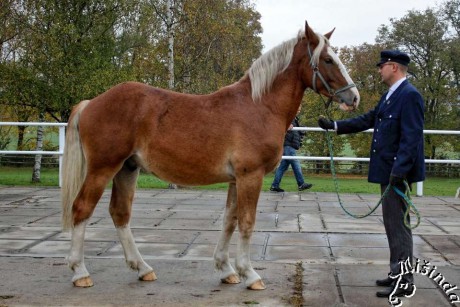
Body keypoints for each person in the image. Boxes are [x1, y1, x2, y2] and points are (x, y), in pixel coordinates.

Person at [318, 50, 425, 299]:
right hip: (389, 171)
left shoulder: (409, 96)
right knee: (392, 225)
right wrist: (335, 126)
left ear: (394, 67)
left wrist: (400, 170)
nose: (379, 70)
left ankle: (404, 280)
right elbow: (369, 119)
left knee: (398, 226)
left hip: (396, 173)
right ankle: (396, 272)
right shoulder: (390, 95)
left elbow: (412, 137)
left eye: (382, 66)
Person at [270, 105, 313, 192]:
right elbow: (279, 122)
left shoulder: (294, 118)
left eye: (300, 109)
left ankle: (275, 186)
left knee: (282, 167)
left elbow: (297, 131)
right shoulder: (288, 116)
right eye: (297, 109)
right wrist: (286, 125)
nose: (299, 111)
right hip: (288, 144)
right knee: (296, 163)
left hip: (290, 145)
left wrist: (303, 130)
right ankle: (301, 183)